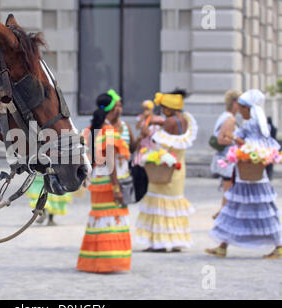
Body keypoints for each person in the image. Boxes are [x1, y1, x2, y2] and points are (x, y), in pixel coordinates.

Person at [206, 89, 282, 259]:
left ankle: (278, 245)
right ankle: (223, 245)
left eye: (242, 108)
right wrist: (231, 136)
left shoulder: (253, 124)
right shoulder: (255, 123)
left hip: (252, 177)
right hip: (247, 176)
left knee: (252, 209)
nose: (239, 111)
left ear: (248, 109)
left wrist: (233, 138)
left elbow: (252, 146)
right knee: (235, 208)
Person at [134, 89, 198, 252]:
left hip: (164, 167)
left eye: (163, 107)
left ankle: (159, 242)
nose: (162, 110)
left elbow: (158, 140)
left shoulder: (170, 122)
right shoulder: (183, 119)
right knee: (173, 203)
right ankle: (175, 240)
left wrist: (147, 130)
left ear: (170, 108)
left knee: (159, 201)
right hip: (178, 168)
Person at [77, 90, 132, 273]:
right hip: (109, 183)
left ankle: (94, 260)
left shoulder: (91, 130)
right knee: (112, 218)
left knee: (99, 218)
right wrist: (116, 187)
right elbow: (112, 164)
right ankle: (109, 261)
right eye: (116, 106)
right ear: (113, 110)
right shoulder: (110, 132)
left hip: (97, 182)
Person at [210, 90, 242, 219]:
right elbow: (221, 139)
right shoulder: (230, 119)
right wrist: (235, 140)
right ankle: (223, 214)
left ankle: (223, 212)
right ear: (234, 103)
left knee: (228, 188)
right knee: (229, 188)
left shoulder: (225, 116)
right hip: (227, 159)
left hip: (225, 158)